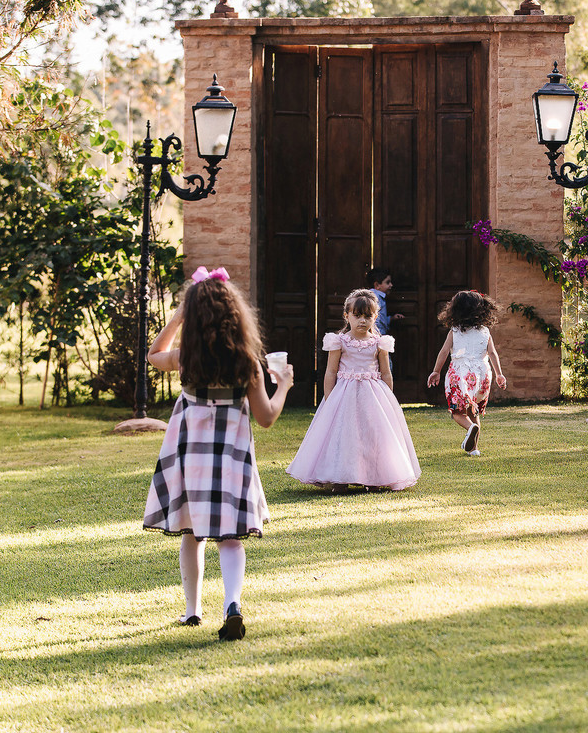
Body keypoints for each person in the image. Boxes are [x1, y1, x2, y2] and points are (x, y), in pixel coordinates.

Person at [143, 266, 294, 642]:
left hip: (191, 459)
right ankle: (232, 605)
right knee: (230, 536)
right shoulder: (247, 366)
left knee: (192, 532)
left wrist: (178, 317)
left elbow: (153, 354)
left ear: (193, 317)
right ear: (235, 316)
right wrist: (285, 386)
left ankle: (192, 610)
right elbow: (267, 418)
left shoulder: (184, 358)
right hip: (231, 459)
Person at [286, 289, 420, 490]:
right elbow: (331, 372)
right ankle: (339, 477)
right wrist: (330, 399)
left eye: (368, 316)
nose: (362, 321)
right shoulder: (338, 342)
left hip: (373, 396)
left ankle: (375, 477)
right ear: (346, 316)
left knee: (373, 435)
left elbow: (386, 373)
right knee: (344, 435)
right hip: (344, 395)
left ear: (376, 317)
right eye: (357, 316)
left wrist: (389, 400)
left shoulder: (379, 343)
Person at [426, 290, 507, 456]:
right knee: (473, 410)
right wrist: (499, 374)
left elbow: (443, 352)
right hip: (482, 375)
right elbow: (492, 354)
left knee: (458, 412)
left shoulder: (455, 331)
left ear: (455, 310)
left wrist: (436, 371)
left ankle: (470, 427)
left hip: (461, 373)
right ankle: (474, 448)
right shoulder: (485, 331)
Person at [367, 267, 405, 336]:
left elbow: (381, 319)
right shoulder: (374, 297)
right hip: (376, 335)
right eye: (388, 282)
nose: (391, 285)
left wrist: (391, 318)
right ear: (377, 285)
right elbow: (374, 320)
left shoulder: (379, 297)